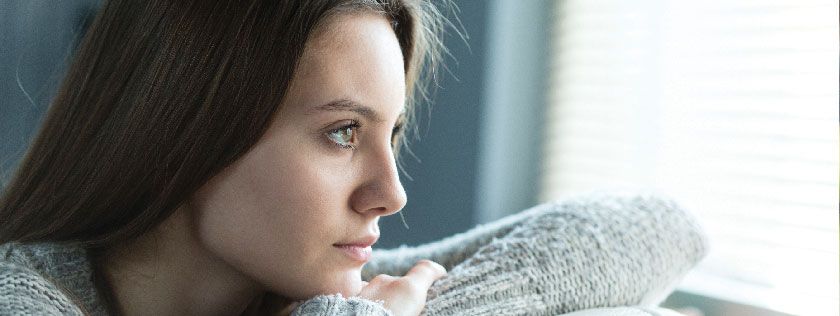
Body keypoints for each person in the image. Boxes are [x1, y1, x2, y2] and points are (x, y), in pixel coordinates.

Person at [0, 0, 708, 315]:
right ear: (182, 133)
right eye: (343, 132)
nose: (392, 194)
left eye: (391, 134)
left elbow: (660, 228)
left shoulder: (311, 293)